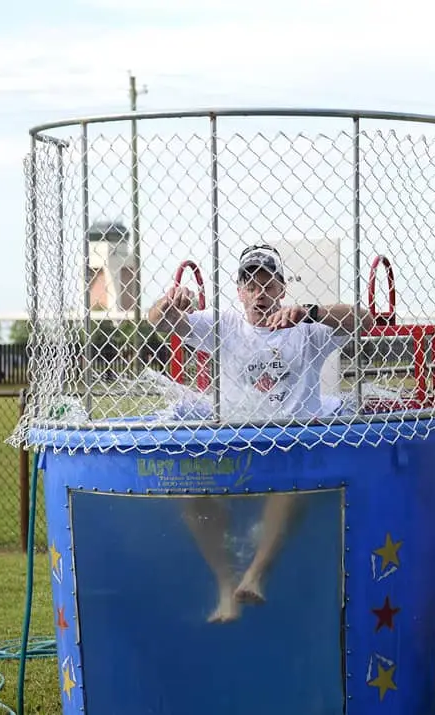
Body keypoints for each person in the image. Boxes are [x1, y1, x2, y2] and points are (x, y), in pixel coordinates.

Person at [148, 243, 375, 623]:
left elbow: (364, 321)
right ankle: (225, 585)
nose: (259, 293)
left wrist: (310, 312)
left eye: (267, 285)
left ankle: (255, 574)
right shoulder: (224, 326)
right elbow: (159, 321)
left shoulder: (308, 330)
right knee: (188, 490)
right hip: (235, 441)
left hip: (291, 445)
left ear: (282, 289)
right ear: (239, 292)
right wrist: (173, 301)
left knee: (291, 485)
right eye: (250, 285)